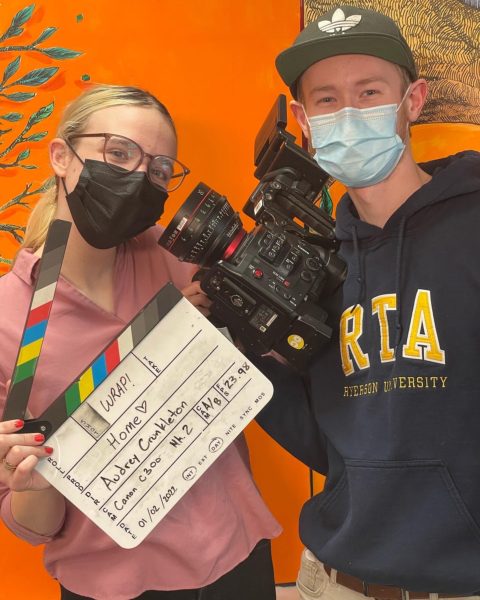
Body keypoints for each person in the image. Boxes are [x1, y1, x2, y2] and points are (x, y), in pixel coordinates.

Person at [0, 84, 281, 600]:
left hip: (234, 556)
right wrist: (32, 483)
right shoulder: (10, 321)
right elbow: (30, 524)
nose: (136, 177)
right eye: (118, 153)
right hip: (107, 583)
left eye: (157, 169)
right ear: (61, 155)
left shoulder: (180, 257)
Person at [254, 5, 480, 599]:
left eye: (369, 91)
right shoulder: (311, 261)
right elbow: (325, 438)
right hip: (336, 580)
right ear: (302, 119)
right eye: (326, 100)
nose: (348, 113)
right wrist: (248, 352)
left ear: (413, 100)